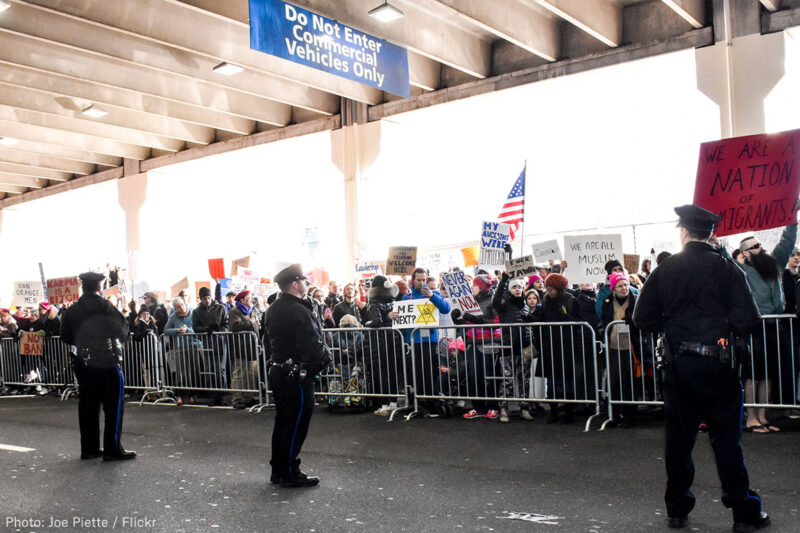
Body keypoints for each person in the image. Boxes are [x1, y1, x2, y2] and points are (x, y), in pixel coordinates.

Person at [633, 204, 768, 532]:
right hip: (718, 365)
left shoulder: (664, 270)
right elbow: (748, 319)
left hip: (678, 367)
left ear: (683, 232)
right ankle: (742, 512)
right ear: (711, 234)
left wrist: (672, 327)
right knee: (726, 441)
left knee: (678, 441)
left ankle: (677, 509)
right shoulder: (727, 269)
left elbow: (641, 318)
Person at [264, 263, 331, 488]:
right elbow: (312, 346)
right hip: (297, 375)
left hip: (279, 370)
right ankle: (290, 471)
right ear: (295, 283)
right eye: (303, 281)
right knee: (295, 424)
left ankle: (279, 469)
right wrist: (321, 364)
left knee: (283, 423)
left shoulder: (273, 308)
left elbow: (267, 343)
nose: (305, 284)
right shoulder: (299, 310)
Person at [59, 272, 135, 461]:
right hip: (106, 360)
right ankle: (112, 449)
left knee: (88, 406)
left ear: (83, 287)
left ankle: (89, 449)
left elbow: (65, 336)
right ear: (99, 287)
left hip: (83, 362)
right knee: (113, 407)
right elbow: (122, 330)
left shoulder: (73, 309)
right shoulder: (105, 306)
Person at [737, 222, 797, 429]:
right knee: (754, 374)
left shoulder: (773, 264)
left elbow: (786, 244)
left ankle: (762, 416)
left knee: (769, 374)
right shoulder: (742, 270)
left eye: (759, 244)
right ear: (745, 254)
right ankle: (751, 417)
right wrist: (718, 245)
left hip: (773, 326)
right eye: (753, 247)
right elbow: (724, 260)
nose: (759, 248)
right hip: (755, 328)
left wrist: (792, 222)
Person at [192, 286, 230, 401]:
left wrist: (218, 331)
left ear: (211, 297)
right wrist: (207, 329)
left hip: (220, 341)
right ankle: (212, 393)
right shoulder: (197, 311)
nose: (207, 300)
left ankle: (221, 393)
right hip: (206, 342)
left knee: (220, 369)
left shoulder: (221, 308)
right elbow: (195, 327)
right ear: (201, 299)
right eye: (204, 298)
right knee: (209, 368)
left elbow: (227, 325)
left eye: (208, 298)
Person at [228, 290, 261, 409]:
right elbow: (234, 326)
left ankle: (250, 397)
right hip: (240, 347)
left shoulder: (252, 311)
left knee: (252, 373)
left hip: (252, 346)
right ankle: (238, 399)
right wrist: (251, 322)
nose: (251, 300)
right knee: (239, 374)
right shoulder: (234, 311)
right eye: (248, 298)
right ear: (242, 300)